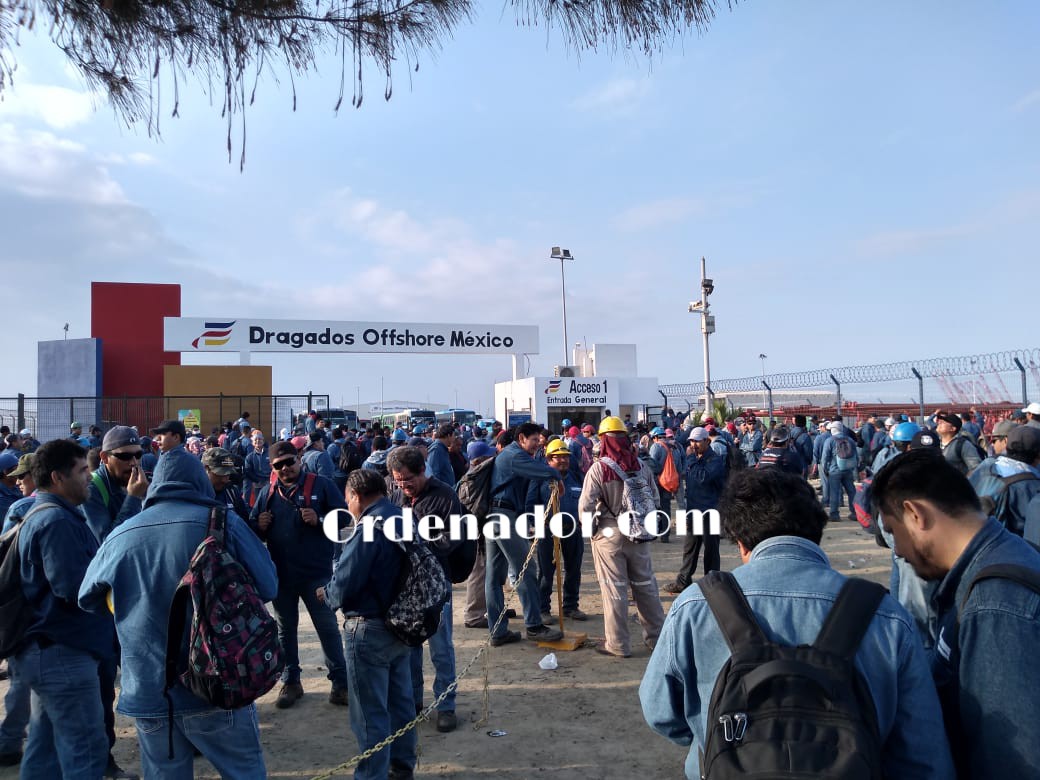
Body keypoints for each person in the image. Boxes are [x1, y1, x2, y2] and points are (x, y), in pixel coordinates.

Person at [640, 467, 955, 780]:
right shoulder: (886, 616)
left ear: (741, 542)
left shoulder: (695, 606)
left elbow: (660, 713)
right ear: (816, 533)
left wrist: (713, 737)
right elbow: (921, 751)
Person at [79, 447, 277, 779]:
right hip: (218, 682)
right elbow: (268, 585)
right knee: (243, 771)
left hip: (148, 688)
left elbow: (88, 598)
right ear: (200, 481)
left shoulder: (122, 533)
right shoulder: (222, 522)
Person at [872, 448, 1040, 777]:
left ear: (915, 514)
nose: (899, 552)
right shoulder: (1000, 559)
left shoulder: (993, 605)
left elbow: (1013, 761)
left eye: (892, 533)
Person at [10, 439, 113, 779]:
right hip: (63, 654)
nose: (89, 477)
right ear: (57, 477)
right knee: (86, 750)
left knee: (45, 751)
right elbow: (73, 588)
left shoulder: (47, 515)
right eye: (82, 470)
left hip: (48, 652)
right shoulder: (56, 522)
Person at [319, 469, 417, 780]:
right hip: (402, 623)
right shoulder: (403, 518)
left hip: (369, 626)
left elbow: (346, 580)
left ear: (356, 496)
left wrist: (327, 594)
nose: (347, 507)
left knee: (369, 712)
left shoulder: (369, 528)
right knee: (401, 702)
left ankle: (372, 775)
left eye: (347, 500)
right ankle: (402, 767)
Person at [249, 440, 350, 708]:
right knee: (285, 631)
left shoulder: (321, 485)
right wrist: (258, 525)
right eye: (278, 465)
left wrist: (320, 520)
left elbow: (345, 519)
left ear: (299, 459)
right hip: (281, 576)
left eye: (289, 462)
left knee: (327, 628)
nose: (285, 468)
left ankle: (340, 683)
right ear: (272, 468)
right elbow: (253, 529)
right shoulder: (268, 492)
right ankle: (291, 681)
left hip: (316, 574)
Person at [386, 446, 462, 734]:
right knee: (410, 647)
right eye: (398, 481)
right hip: (404, 586)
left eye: (408, 480)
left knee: (441, 648)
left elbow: (454, 537)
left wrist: (420, 544)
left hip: (436, 583)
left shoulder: (445, 495)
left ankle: (446, 705)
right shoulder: (396, 496)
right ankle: (412, 703)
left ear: (422, 471)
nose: (403, 486)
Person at [578, 416, 665, 657]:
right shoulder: (641, 466)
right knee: (646, 587)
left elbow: (585, 507)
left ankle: (618, 645)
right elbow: (655, 499)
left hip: (609, 534)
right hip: (639, 533)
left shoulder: (599, 469)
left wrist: (591, 531)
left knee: (615, 590)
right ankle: (657, 638)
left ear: (603, 439)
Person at [485, 422, 563, 645]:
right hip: (503, 516)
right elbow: (544, 471)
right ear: (521, 438)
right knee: (526, 569)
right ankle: (534, 626)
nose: (539, 444)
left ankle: (498, 631)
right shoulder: (514, 456)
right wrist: (557, 477)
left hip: (497, 515)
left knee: (494, 577)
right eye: (535, 440)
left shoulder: (511, 454)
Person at [530, 439, 586, 622]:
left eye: (566, 457)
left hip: (573, 530)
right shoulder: (540, 478)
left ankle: (571, 606)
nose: (563, 460)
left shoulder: (576, 477)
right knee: (546, 572)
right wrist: (537, 525)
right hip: (548, 531)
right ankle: (543, 609)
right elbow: (530, 503)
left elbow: (585, 501)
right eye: (558, 457)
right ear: (548, 459)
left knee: (573, 570)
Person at [665, 427, 726, 593]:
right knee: (690, 549)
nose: (693, 444)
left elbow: (702, 478)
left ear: (707, 441)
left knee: (711, 550)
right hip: (694, 510)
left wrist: (691, 458)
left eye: (697, 441)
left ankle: (712, 583)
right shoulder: (695, 458)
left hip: (710, 511)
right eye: (691, 441)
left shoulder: (715, 460)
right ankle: (683, 581)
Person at [82, 425, 149, 544]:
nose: (134, 462)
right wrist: (133, 497)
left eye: (138, 455)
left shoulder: (132, 481)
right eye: (125, 456)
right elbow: (108, 542)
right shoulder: (91, 489)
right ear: (105, 458)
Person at [820, 420, 858, 521]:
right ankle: (855, 513)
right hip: (848, 470)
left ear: (833, 430)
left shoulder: (829, 441)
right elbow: (856, 456)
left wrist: (825, 470)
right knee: (851, 491)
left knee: (834, 492)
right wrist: (854, 469)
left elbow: (824, 458)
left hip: (834, 470)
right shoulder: (850, 440)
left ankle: (834, 514)